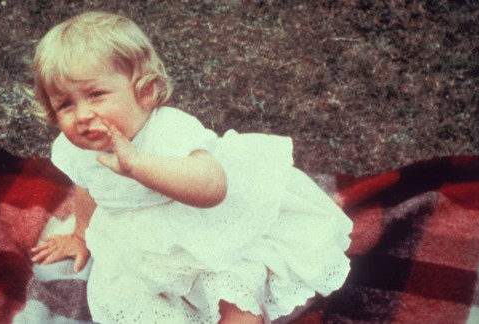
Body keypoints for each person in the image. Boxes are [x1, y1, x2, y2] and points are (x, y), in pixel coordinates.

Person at [30, 11, 352, 323]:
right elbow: (88, 185)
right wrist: (82, 235)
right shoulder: (79, 147)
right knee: (133, 298)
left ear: (145, 90)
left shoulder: (169, 130)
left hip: (207, 230)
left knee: (231, 289)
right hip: (142, 243)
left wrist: (140, 166)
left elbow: (213, 188)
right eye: (65, 104)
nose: (82, 115)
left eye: (96, 94)